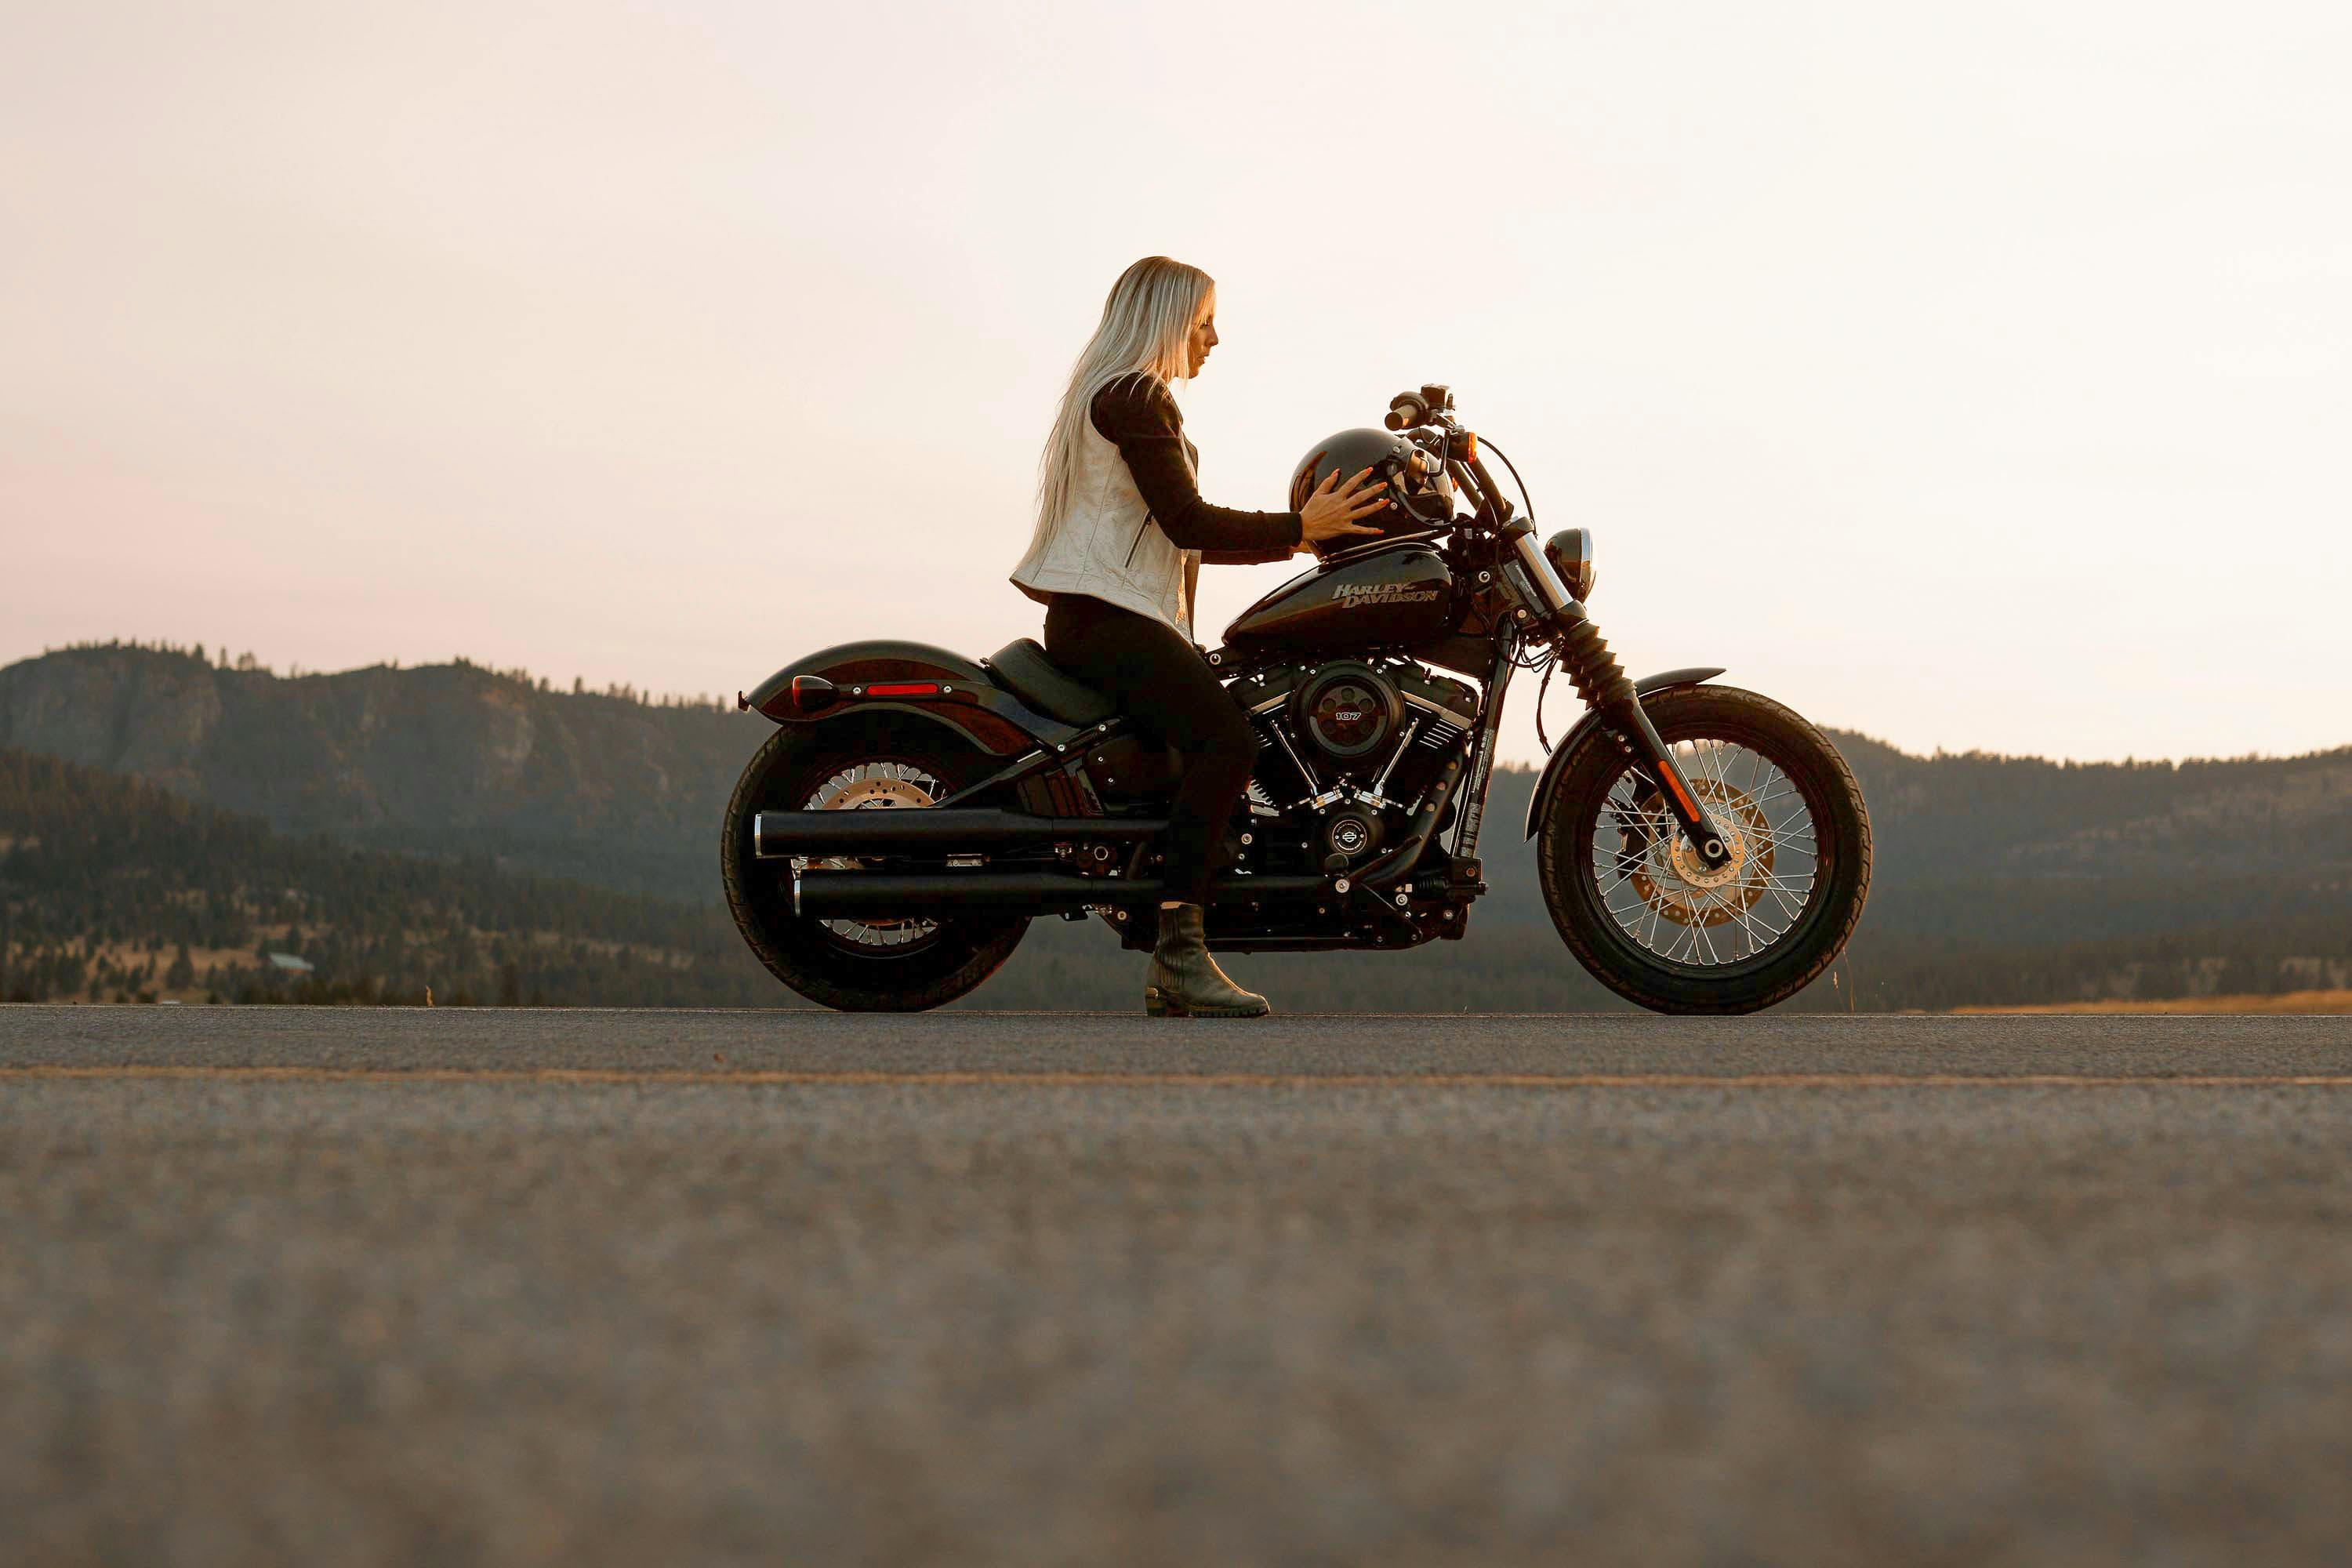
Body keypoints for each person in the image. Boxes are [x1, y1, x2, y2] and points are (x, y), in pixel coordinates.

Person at [1011, 256, 1390, 1017]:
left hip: (1112, 615)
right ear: (1166, 320)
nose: (1214, 338)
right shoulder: (1134, 395)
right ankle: (1179, 954)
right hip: (1107, 618)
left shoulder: (1120, 396)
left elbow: (1179, 531)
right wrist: (1299, 527)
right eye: (1204, 321)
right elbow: (1188, 520)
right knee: (1228, 742)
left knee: (1221, 730)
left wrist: (1300, 537)